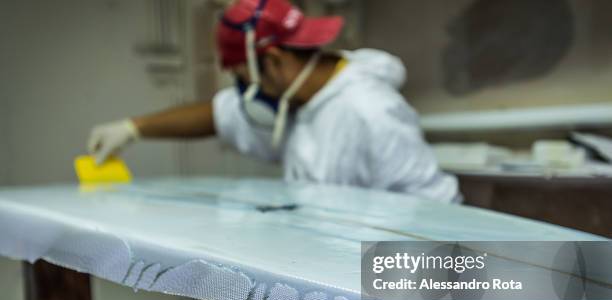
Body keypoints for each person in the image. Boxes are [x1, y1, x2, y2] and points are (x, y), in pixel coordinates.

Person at [88, 0, 459, 203]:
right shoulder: (298, 101)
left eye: (240, 78)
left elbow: (440, 220)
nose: (242, 93)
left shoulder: (370, 112)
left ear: (275, 61)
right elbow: (216, 115)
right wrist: (132, 129)